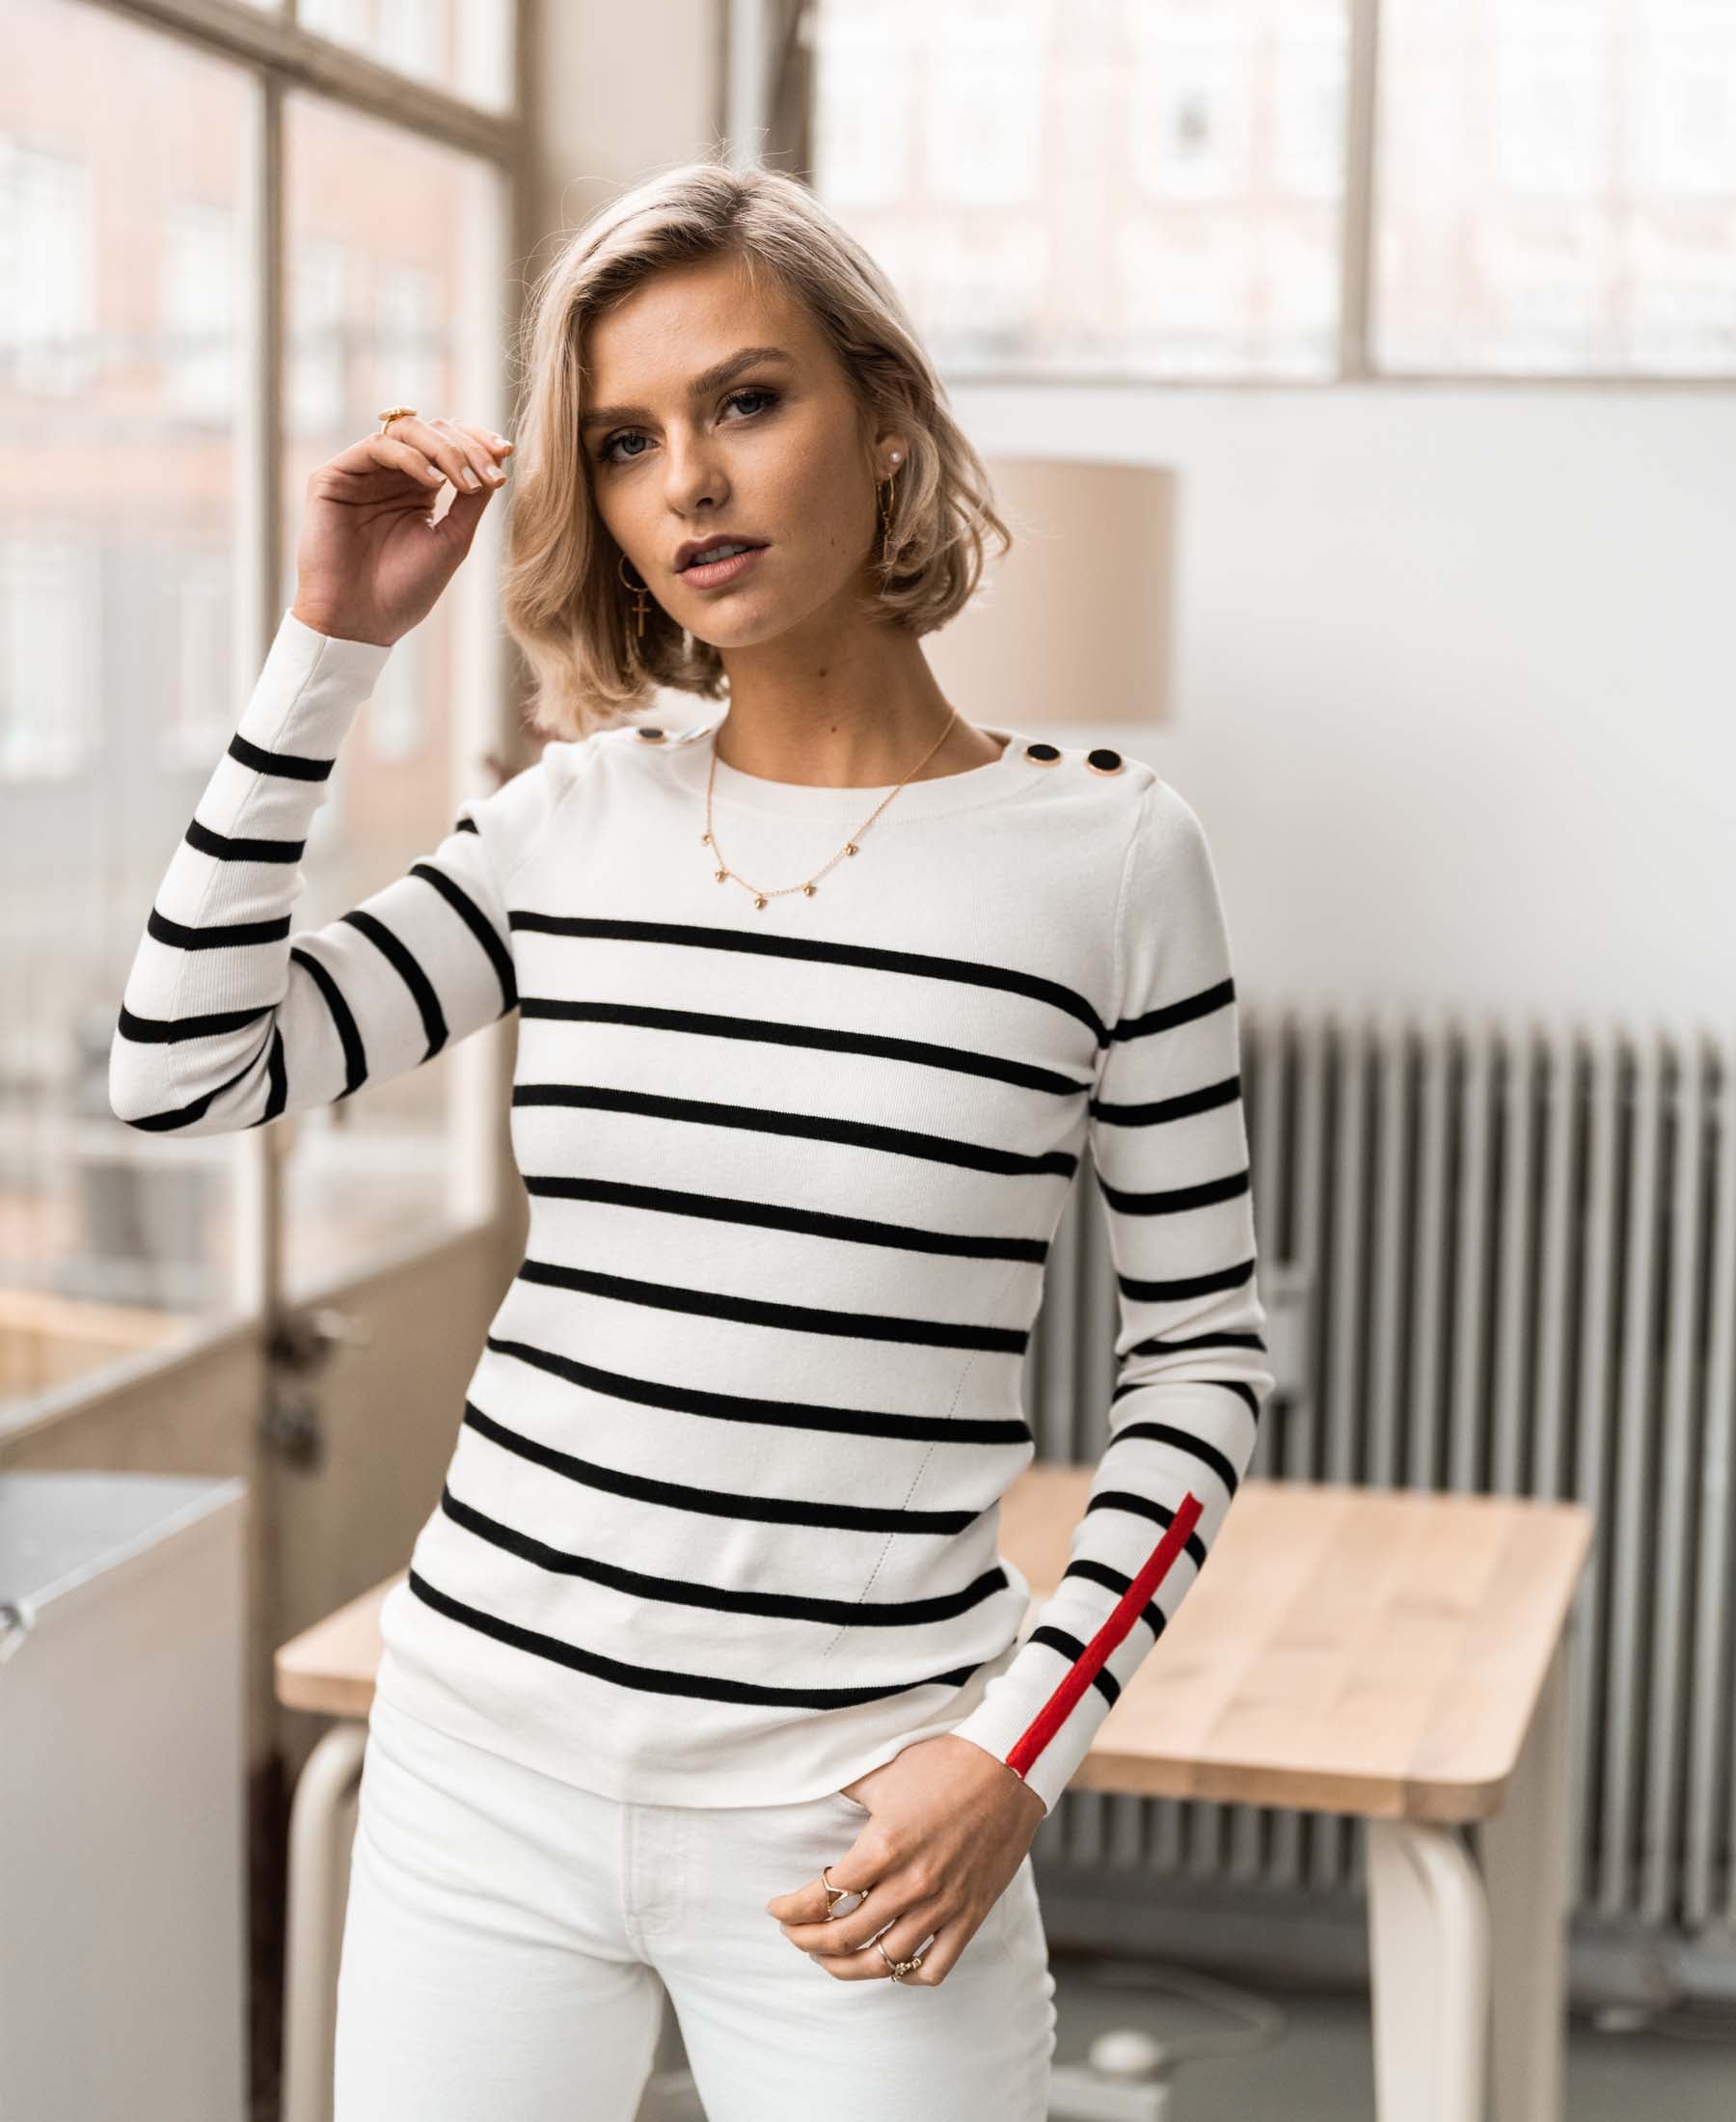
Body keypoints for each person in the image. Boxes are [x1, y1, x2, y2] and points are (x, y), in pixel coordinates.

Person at [109, 158, 1273, 2121]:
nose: (689, 483)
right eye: (627, 440)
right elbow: (186, 1064)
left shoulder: (1109, 856)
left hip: (860, 1820)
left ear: (881, 415)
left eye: (747, 400)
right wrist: (327, 650)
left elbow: (1205, 1357)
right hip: (481, 1764)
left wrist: (1020, 1744)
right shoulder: (572, 823)